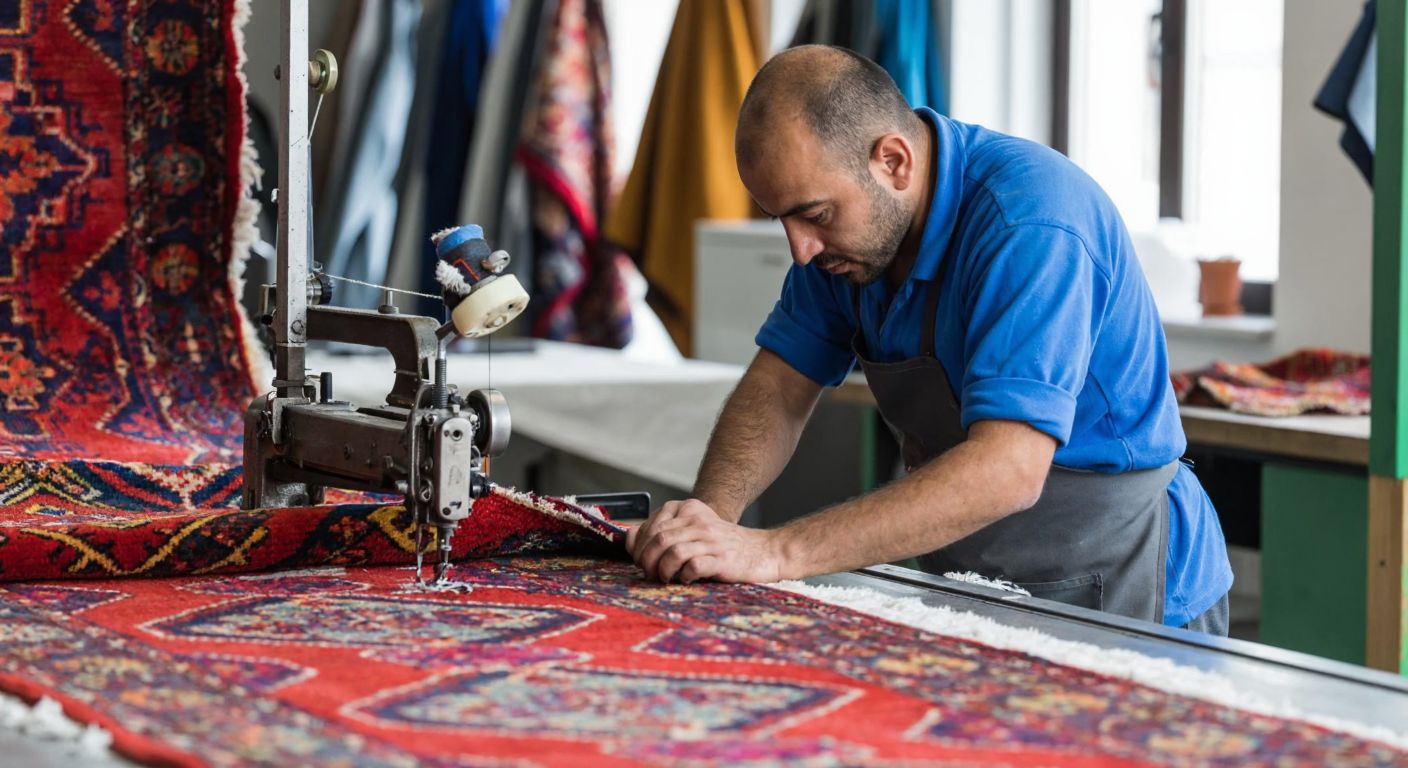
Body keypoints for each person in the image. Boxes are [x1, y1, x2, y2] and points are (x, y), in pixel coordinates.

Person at [626, 45, 1232, 634]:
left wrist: (774, 552)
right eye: (781, 219)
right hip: (968, 578)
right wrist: (705, 525)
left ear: (893, 162)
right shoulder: (841, 248)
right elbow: (779, 385)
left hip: (1125, 584)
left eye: (814, 215)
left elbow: (1007, 469)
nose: (799, 249)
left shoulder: (1031, 222)